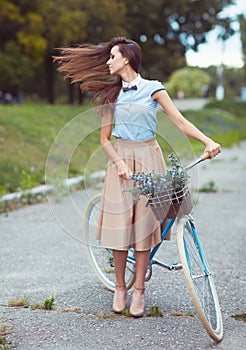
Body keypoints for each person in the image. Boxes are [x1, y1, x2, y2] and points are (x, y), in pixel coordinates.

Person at [54, 37, 221, 318]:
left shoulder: (154, 89)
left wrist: (207, 141)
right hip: (121, 159)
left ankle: (140, 290)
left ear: (127, 59)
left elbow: (179, 122)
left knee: (144, 230)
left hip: (150, 158)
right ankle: (120, 287)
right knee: (119, 228)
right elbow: (105, 139)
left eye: (112, 56)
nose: (108, 61)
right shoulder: (112, 96)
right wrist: (118, 162)